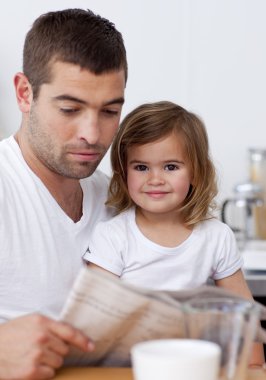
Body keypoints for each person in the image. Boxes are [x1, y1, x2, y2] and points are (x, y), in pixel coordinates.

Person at [85, 101, 265, 365]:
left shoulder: (216, 236)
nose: (155, 179)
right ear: (124, 173)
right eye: (141, 167)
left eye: (170, 167)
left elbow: (243, 314)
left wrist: (255, 367)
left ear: (195, 172)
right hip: (130, 366)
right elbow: (95, 316)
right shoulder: (112, 236)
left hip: (196, 364)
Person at [0, 8, 127, 379]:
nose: (92, 133)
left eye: (109, 111)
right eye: (70, 109)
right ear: (25, 93)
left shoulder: (116, 200)